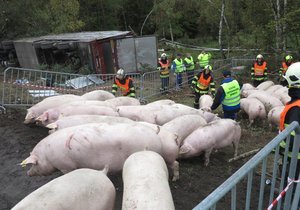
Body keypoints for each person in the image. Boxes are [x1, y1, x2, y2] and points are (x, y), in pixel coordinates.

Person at [279, 62, 300, 207]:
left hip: (295, 159)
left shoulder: (295, 109)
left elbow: (293, 140)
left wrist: (279, 148)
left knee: (292, 187)